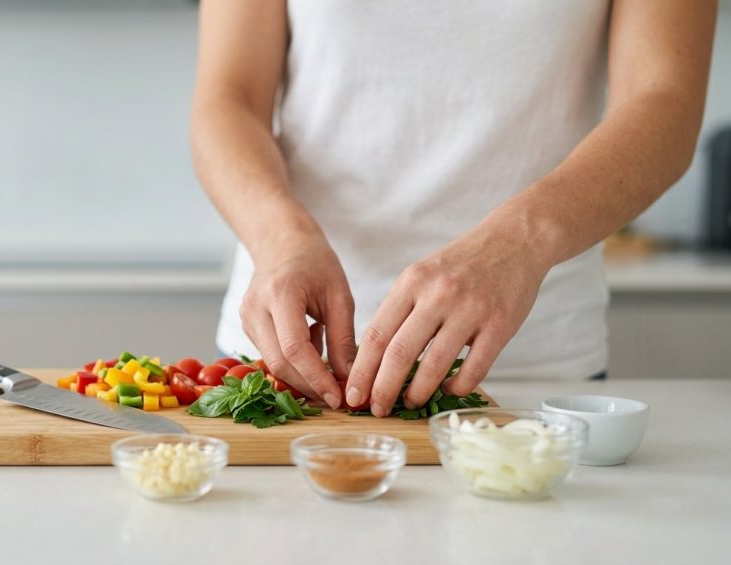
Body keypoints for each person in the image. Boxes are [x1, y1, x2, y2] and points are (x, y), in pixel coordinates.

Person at [190, 1, 716, 417]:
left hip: (532, 363)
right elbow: (227, 98)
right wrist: (280, 238)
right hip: (288, 353)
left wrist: (520, 241)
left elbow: (665, 100)